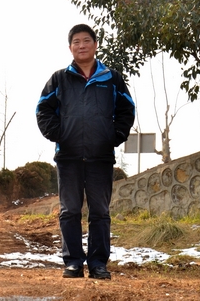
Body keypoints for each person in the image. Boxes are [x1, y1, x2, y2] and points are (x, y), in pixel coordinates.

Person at [36, 24, 135, 280]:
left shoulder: (111, 78)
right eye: (76, 42)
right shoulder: (59, 79)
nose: (82, 45)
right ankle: (73, 263)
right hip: (68, 157)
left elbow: (127, 109)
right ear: (70, 47)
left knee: (100, 212)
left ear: (95, 44)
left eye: (86, 40)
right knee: (69, 211)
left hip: (100, 157)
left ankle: (98, 264)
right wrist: (59, 134)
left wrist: (113, 136)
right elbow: (43, 109)